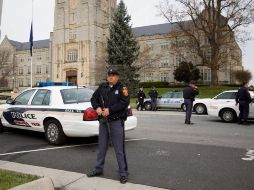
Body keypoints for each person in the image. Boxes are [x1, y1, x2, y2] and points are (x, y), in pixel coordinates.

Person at [87, 67, 130, 184]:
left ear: (117, 77)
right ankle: (98, 169)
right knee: (102, 147)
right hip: (104, 122)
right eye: (109, 75)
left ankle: (123, 173)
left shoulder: (122, 88)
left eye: (113, 75)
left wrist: (110, 110)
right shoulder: (102, 87)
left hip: (116, 122)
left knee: (119, 149)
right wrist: (97, 107)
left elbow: (125, 102)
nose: (111, 77)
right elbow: (93, 98)